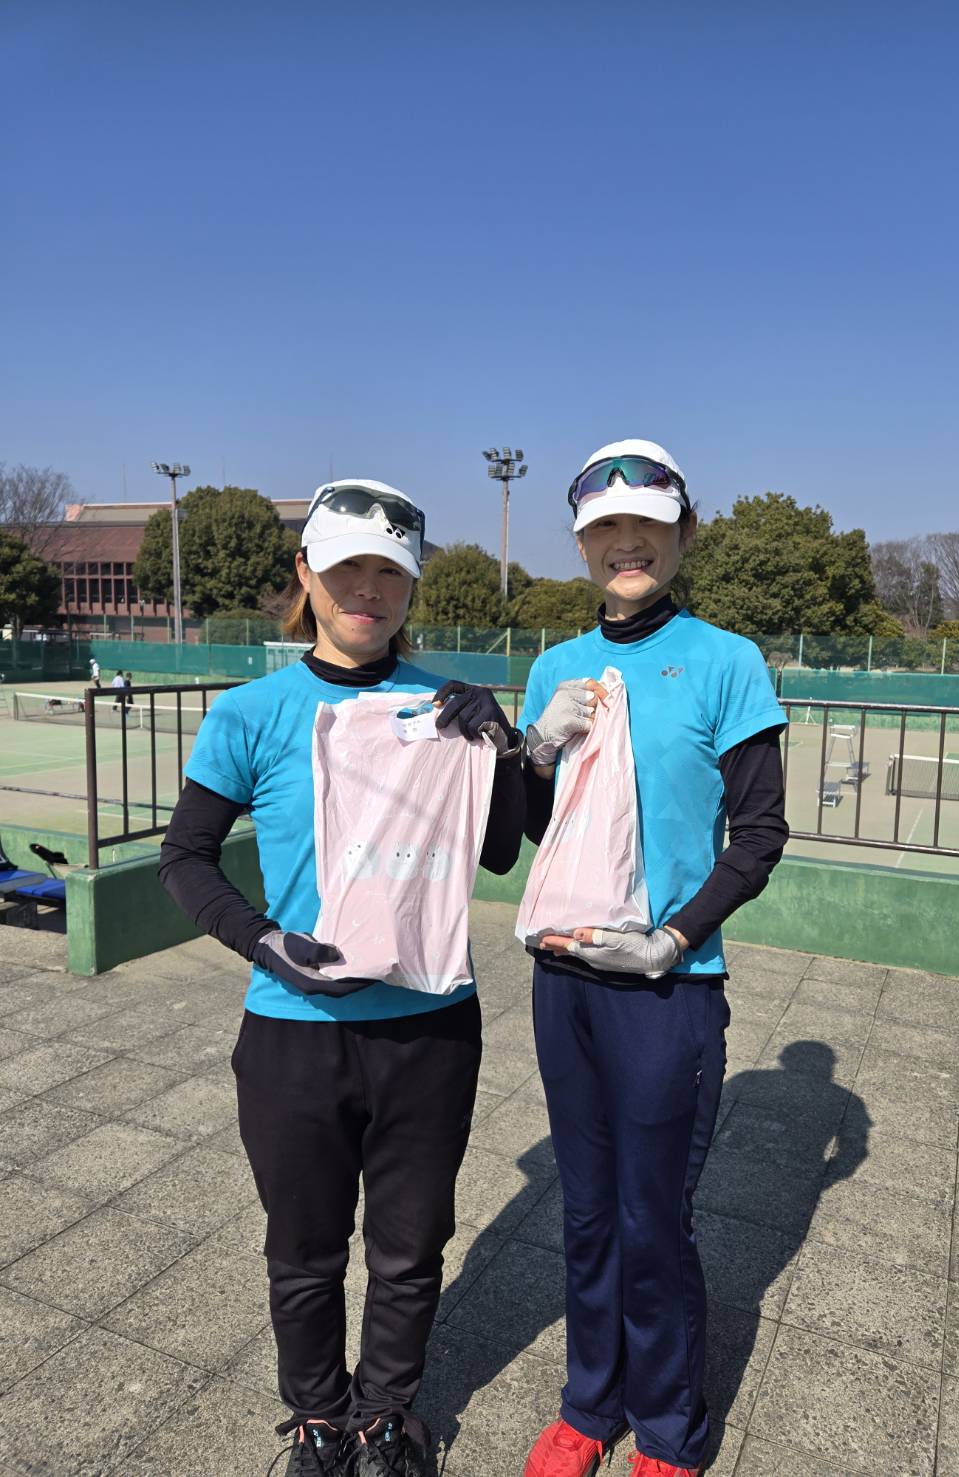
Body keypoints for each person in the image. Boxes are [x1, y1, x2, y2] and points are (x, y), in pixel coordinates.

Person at [158, 479, 525, 1477]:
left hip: (430, 1026)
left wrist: (500, 748)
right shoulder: (252, 712)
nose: (369, 589)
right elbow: (185, 857)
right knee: (304, 1251)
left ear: (411, 585)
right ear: (306, 573)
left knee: (409, 1249)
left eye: (389, 572)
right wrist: (260, 939)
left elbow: (499, 852)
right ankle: (319, 1419)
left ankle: (386, 1416)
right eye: (348, 567)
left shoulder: (447, 708)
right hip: (292, 1031)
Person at [519, 440, 790, 1477]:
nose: (625, 545)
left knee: (652, 1217)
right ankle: (589, 1404)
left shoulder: (726, 660)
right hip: (564, 977)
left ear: (683, 533)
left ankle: (670, 1424)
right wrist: (534, 748)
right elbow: (528, 827)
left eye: (646, 526)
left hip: (667, 987)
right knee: (586, 1210)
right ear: (583, 544)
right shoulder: (553, 666)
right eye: (605, 530)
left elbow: (757, 835)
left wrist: (675, 938)